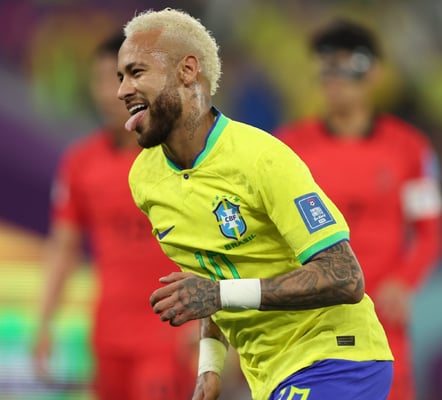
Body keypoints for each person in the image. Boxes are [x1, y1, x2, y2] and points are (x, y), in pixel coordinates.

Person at [116, 8, 394, 400]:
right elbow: (208, 280)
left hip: (337, 358)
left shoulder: (261, 158)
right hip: (270, 376)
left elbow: (345, 277)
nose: (122, 90)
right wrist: (210, 369)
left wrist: (218, 295)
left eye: (136, 72)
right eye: (120, 77)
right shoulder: (145, 180)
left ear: (187, 71)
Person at [274, 19, 442, 400]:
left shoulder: (410, 149)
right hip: (311, 321)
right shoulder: (286, 149)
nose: (333, 79)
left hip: (382, 321)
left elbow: (430, 233)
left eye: (345, 66)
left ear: (374, 73)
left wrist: (405, 282)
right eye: (325, 66)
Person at [32, 32, 196, 400]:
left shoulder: (182, 159)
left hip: (168, 336)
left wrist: (210, 320)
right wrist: (44, 323)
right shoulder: (81, 163)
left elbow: (216, 242)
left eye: (120, 79)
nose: (110, 93)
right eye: (101, 80)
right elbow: (64, 246)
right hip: (108, 338)